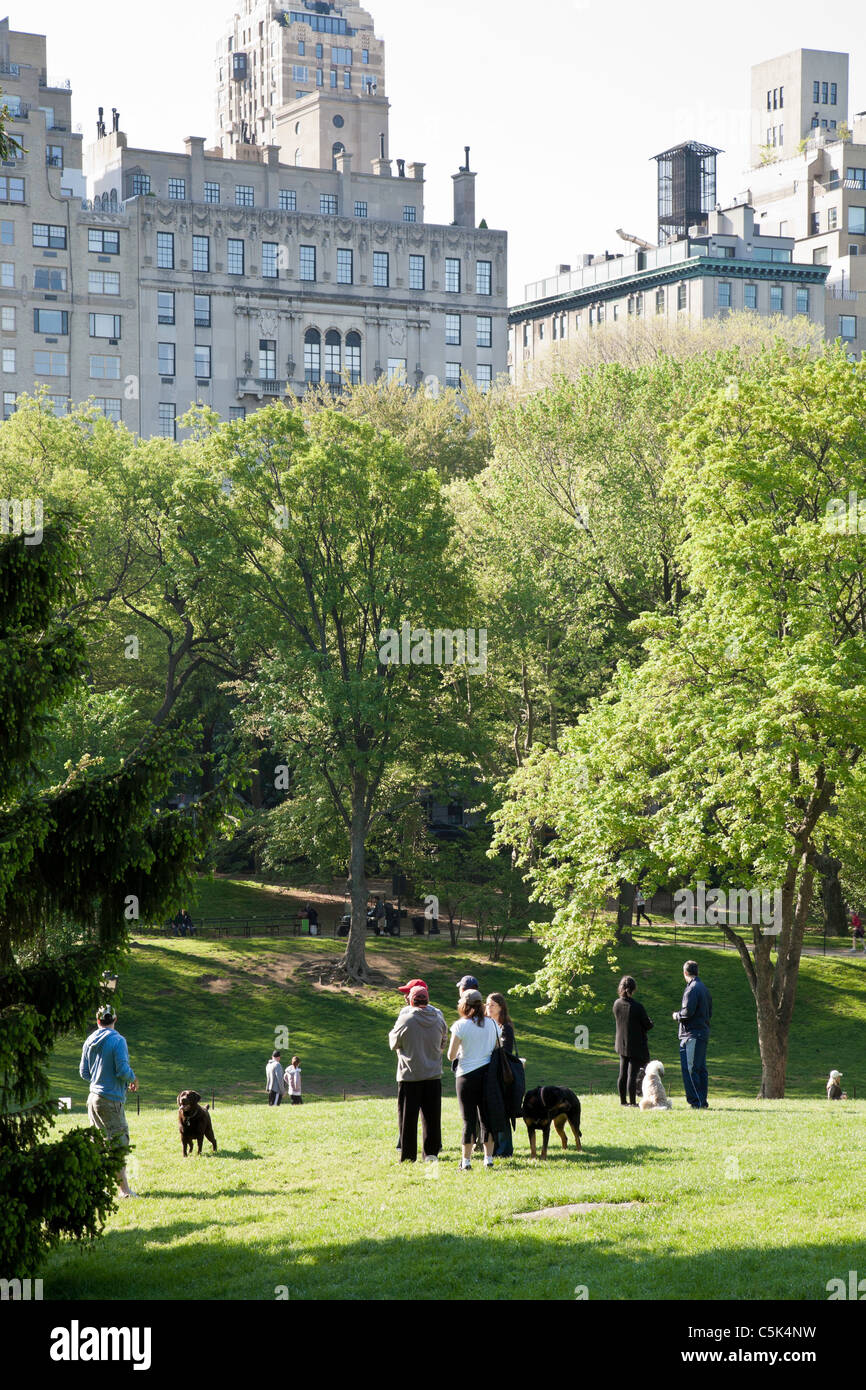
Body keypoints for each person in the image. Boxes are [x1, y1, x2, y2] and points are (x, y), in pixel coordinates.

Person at [79, 1004, 138, 1199]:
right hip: (111, 1100)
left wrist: (100, 1079)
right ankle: (124, 1191)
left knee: (98, 1145)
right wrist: (132, 1078)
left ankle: (98, 1188)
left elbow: (84, 1073)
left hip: (92, 1099)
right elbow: (122, 1069)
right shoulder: (118, 1040)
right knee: (118, 1144)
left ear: (97, 1021)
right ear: (115, 1019)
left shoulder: (89, 1040)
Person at [389, 984, 448, 1162]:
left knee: (408, 1119)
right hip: (433, 1074)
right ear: (427, 999)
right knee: (432, 1118)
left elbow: (393, 1042)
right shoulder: (439, 1018)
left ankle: (408, 1157)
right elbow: (443, 1041)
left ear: (411, 1001)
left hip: (410, 1075)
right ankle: (431, 1154)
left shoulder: (406, 1019)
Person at [447, 989, 504, 1170]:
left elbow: (451, 1055)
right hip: (488, 1076)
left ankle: (466, 1161)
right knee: (487, 1118)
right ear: (481, 1005)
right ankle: (488, 1159)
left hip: (466, 1076)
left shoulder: (460, 1026)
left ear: (464, 1005)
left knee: (468, 1119)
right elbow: (498, 1047)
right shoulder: (492, 1024)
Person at [485, 993, 524, 1156]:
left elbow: (506, 1051)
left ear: (501, 1007)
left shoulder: (505, 1026)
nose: (488, 1007)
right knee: (492, 1112)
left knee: (502, 1111)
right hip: (489, 1072)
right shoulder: (486, 1024)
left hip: (501, 1074)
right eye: (487, 1004)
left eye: (492, 1004)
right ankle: (494, 1147)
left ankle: (505, 1148)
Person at [672, 961, 712, 1109]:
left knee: (690, 1069)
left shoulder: (692, 989)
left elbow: (687, 1012)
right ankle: (702, 1100)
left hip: (691, 1034)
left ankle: (697, 1102)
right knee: (700, 1069)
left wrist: (677, 1015)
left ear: (685, 973)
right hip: (702, 1032)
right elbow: (710, 1012)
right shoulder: (704, 988)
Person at [613, 975, 653, 1106]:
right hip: (635, 1045)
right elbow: (647, 1025)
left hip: (621, 1043)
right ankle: (633, 1102)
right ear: (633, 989)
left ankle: (623, 1101)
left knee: (622, 1073)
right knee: (632, 1074)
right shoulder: (637, 1006)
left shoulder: (617, 1004)